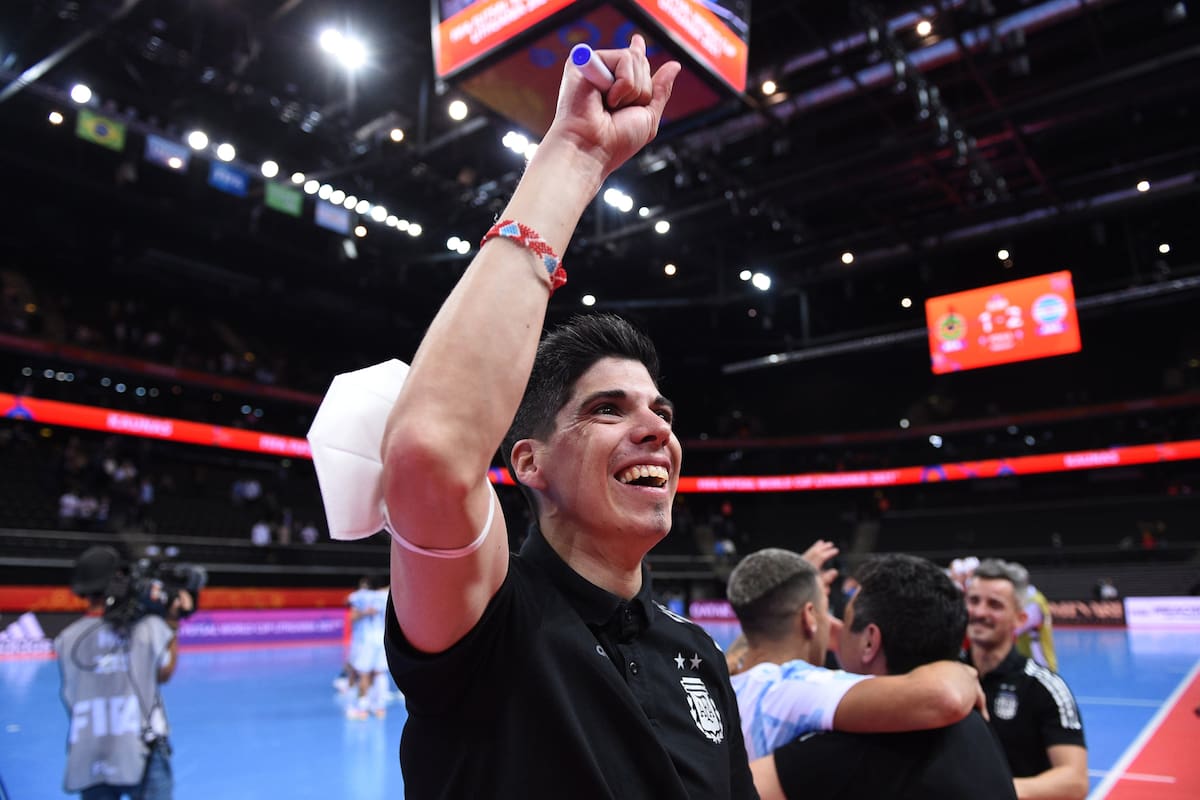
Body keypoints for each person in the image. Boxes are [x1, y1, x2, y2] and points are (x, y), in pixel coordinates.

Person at [378, 37, 755, 798]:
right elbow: (428, 452)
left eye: (661, 411)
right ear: (529, 463)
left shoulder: (698, 656)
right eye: (607, 410)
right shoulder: (486, 622)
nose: (656, 431)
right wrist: (576, 156)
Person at [749, 554, 1017, 800]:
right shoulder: (974, 723)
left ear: (870, 642)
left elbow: (725, 788)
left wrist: (777, 604)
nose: (837, 631)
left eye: (845, 621)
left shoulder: (848, 749)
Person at [726, 548, 985, 760]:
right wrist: (963, 670)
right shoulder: (800, 687)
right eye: (826, 611)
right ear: (808, 617)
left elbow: (755, 628)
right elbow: (943, 696)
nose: (834, 625)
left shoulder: (721, 680)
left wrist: (786, 589)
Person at [55, 546, 192, 799]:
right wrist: (171, 619)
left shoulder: (66, 639)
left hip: (89, 750)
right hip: (143, 749)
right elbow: (165, 672)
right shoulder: (147, 628)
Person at [967, 559, 1088, 800]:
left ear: (1020, 619)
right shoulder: (945, 674)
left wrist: (991, 793)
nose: (980, 612)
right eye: (973, 601)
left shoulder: (1045, 688)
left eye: (995, 605)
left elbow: (1074, 781)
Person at [345, 576, 389, 719]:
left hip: (367, 639)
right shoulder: (386, 595)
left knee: (364, 673)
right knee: (380, 673)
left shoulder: (360, 596)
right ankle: (380, 708)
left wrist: (360, 613)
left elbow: (352, 612)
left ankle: (362, 708)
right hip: (382, 638)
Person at [1009, 562, 1058, 671]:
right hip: (1028, 664)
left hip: (1040, 666)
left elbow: (1012, 631)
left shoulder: (1033, 604)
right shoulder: (1029, 598)